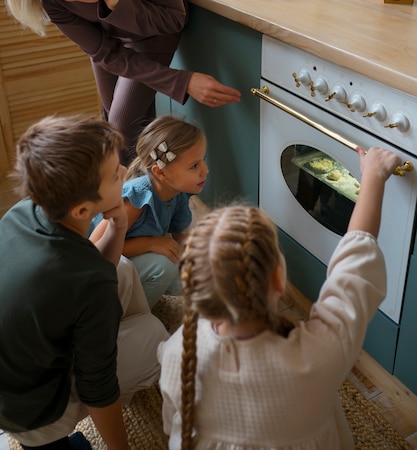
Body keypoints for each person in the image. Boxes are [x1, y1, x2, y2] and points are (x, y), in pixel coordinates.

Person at [158, 146, 402, 450]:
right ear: (277, 278)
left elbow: (174, 423)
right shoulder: (320, 354)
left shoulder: (176, 352)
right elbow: (354, 268)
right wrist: (374, 177)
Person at [3, 0, 241, 163]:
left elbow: (173, 19)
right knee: (112, 128)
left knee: (121, 133)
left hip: (153, 27)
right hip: (107, 43)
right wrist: (181, 81)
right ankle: (136, 197)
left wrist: (119, 3)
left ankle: (140, 199)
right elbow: (104, 52)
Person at [0, 115, 169, 450]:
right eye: (114, 175)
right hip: (32, 412)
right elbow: (98, 387)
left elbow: (85, 268)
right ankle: (48, 440)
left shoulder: (24, 211)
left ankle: (111, 335)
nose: (125, 172)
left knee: (119, 267)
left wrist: (119, 225)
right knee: (154, 336)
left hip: (15, 371)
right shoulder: (84, 279)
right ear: (81, 210)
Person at [90, 114, 208, 309]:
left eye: (203, 160)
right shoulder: (136, 198)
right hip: (102, 267)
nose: (205, 170)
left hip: (136, 255)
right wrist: (150, 243)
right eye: (194, 166)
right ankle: (126, 315)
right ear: (160, 172)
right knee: (165, 267)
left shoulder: (178, 190)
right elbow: (94, 250)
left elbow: (180, 235)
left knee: (194, 281)